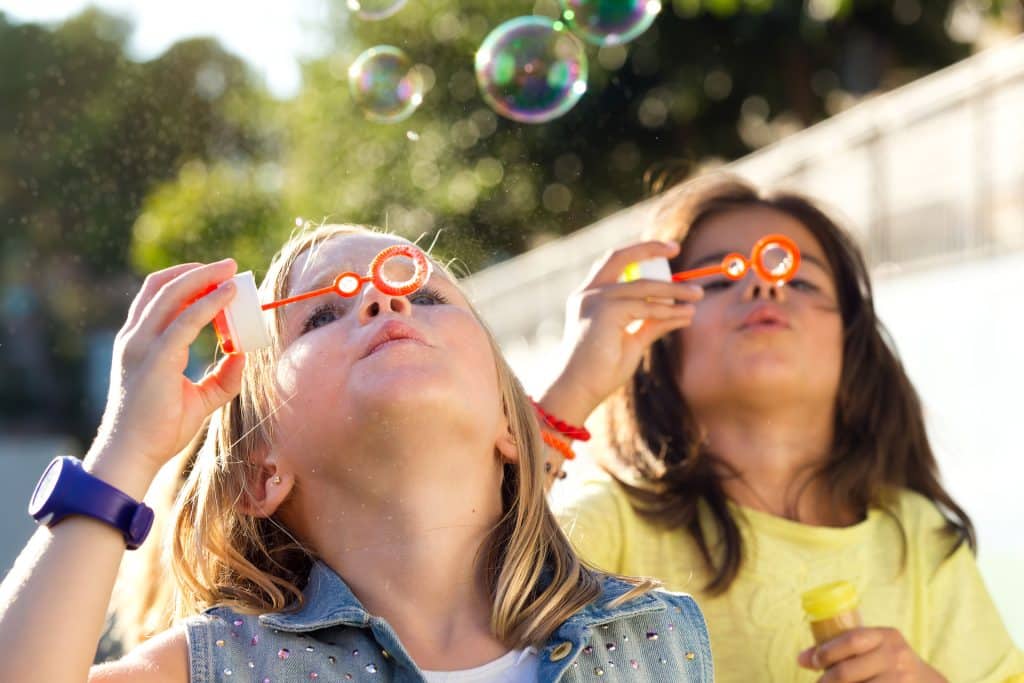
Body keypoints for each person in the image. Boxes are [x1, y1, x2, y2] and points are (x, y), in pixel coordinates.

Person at [0, 223, 713, 682]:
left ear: (510, 421)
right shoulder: (212, 668)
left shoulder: (655, 636)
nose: (385, 302)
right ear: (261, 470)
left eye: (426, 295)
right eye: (321, 314)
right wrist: (126, 447)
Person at [536, 174, 1024, 682]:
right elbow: (471, 589)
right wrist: (575, 385)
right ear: (659, 343)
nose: (764, 283)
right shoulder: (609, 525)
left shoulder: (918, 536)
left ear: (850, 341)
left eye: (802, 279)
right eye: (722, 279)